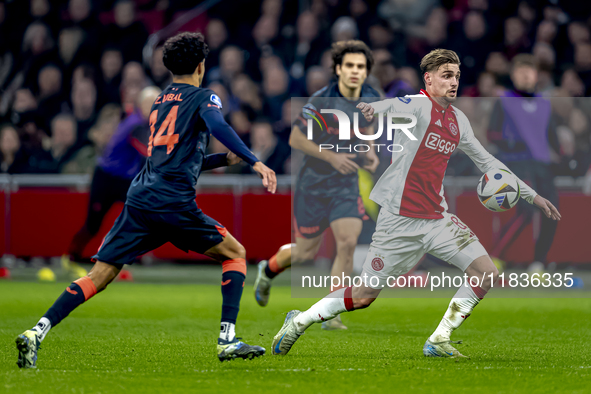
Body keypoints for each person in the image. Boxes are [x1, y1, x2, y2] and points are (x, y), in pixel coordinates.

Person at [271, 49, 560, 358]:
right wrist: (374, 108)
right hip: (398, 219)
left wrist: (533, 196)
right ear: (429, 79)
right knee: (365, 295)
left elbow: (488, 161)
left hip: (437, 218)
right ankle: (299, 320)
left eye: (457, 76)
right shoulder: (420, 105)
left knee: (486, 272)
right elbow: (397, 105)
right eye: (447, 76)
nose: (454, 82)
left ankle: (439, 338)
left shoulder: (458, 120)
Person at [16, 32, 277, 368]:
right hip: (172, 202)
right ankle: (227, 340)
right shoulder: (204, 98)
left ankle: (36, 332)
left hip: (141, 200)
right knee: (236, 253)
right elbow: (218, 125)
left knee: (101, 274)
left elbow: (173, 160)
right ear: (201, 65)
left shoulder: (160, 102)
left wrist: (222, 161)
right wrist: (254, 160)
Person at [254, 40, 380, 330]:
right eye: (349, 65)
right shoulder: (320, 100)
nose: (354, 71)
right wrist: (334, 158)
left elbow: (368, 126)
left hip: (345, 183)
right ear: (338, 68)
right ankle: (269, 269)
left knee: (347, 242)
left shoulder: (371, 97)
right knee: (305, 252)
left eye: (360, 66)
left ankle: (330, 311)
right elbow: (296, 139)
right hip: (313, 184)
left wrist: (370, 151)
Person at [61, 87, 160, 278]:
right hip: (106, 178)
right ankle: (70, 256)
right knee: (93, 224)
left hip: (125, 180)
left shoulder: (141, 122)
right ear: (141, 104)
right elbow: (148, 151)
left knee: (139, 215)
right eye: (151, 103)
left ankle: (124, 258)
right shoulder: (136, 125)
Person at [487, 54, 560, 269]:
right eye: (521, 73)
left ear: (536, 76)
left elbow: (553, 137)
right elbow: (492, 133)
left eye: (530, 72)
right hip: (517, 163)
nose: (526, 77)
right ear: (513, 76)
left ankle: (538, 263)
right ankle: (495, 258)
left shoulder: (545, 104)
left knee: (552, 213)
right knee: (527, 211)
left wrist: (565, 157)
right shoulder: (504, 101)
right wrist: (512, 143)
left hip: (542, 164)